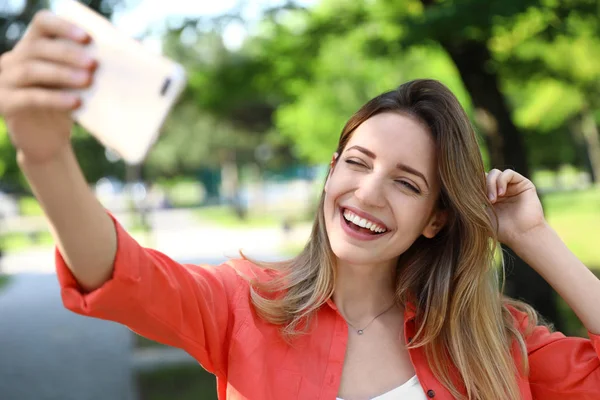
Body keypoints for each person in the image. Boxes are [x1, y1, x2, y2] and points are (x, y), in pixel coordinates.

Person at [0, 10, 599, 400]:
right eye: (357, 163)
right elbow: (118, 272)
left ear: (436, 219)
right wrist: (45, 156)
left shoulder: (492, 336)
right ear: (331, 172)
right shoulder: (243, 304)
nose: (367, 192)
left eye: (407, 183)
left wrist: (534, 237)